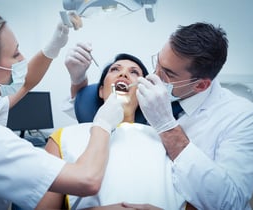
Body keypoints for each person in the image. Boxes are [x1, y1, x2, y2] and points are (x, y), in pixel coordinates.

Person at [64, 23, 253, 209]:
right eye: (157, 62)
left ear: (200, 85)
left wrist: (166, 126)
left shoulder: (242, 117)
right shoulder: (71, 137)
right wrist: (78, 80)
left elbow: (232, 203)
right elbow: (87, 111)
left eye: (167, 73)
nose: (154, 75)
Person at [0, 13, 124, 210]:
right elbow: (87, 179)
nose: (23, 59)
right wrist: (103, 123)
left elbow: (25, 83)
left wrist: (55, 44)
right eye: (15, 54)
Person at [44, 53, 186, 210]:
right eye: (115, 69)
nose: (123, 74)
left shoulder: (169, 141)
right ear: (101, 90)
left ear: (142, 94)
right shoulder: (63, 138)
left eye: (134, 72)